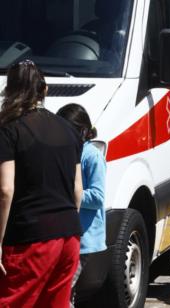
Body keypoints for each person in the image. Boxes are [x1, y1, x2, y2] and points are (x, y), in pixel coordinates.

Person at [0, 60, 83, 307]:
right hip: (69, 237)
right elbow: (77, 190)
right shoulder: (69, 129)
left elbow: (5, 190)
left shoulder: (8, 130)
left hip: (29, 239)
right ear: (44, 90)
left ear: (10, 90)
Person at [57, 104, 107, 307]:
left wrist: (70, 195)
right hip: (67, 234)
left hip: (84, 239)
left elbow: (98, 197)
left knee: (65, 288)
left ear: (82, 131)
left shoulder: (91, 156)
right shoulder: (67, 152)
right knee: (66, 290)